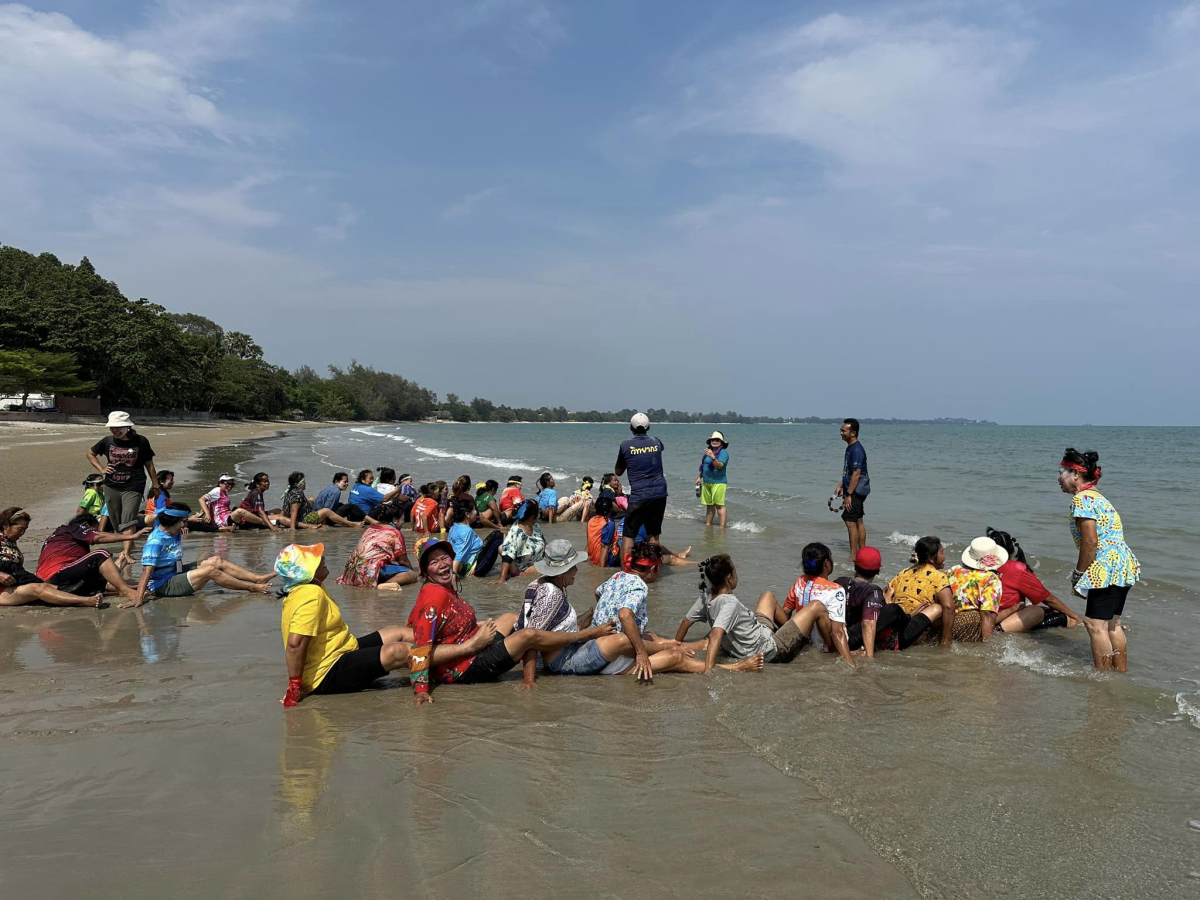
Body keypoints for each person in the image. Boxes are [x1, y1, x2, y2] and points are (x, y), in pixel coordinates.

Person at [278, 543, 497, 707]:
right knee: (398, 652)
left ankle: (446, 640)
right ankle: (467, 647)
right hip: (324, 673)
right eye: (316, 559)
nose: (323, 558)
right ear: (305, 571)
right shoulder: (310, 595)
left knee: (395, 632)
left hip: (340, 648)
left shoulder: (308, 588)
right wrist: (295, 686)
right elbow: (295, 644)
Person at [404, 540, 614, 698]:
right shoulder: (436, 596)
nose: (442, 564)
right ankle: (565, 642)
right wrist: (421, 689)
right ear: (424, 571)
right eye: (433, 562)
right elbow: (421, 645)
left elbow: (414, 620)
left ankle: (526, 649)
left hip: (474, 647)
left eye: (444, 558)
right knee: (528, 634)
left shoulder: (442, 587)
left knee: (510, 617)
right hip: (464, 668)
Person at [590, 543, 757, 681]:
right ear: (654, 570)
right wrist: (641, 653)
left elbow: (598, 593)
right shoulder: (639, 586)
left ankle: (686, 644)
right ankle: (732, 667)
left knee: (651, 636)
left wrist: (609, 620)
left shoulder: (618, 576)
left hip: (601, 645)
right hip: (613, 660)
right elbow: (625, 615)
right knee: (675, 658)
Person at [1059, 448, 1139, 672]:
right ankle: (1119, 673)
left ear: (1075, 474)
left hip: (1106, 566)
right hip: (1124, 564)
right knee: (1112, 624)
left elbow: (1091, 541)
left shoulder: (1082, 499)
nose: (1059, 479)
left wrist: (1079, 573)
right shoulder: (1099, 498)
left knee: (1095, 624)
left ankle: (1103, 680)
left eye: (1061, 473)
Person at [128, 504, 275, 608]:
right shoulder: (155, 541)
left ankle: (257, 578)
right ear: (174, 521)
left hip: (174, 573)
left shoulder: (173, 532)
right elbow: (147, 570)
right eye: (184, 522)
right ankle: (252, 587)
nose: (186, 525)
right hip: (163, 585)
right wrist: (139, 597)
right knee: (211, 571)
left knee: (216, 560)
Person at [674, 554, 787, 669]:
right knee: (806, 611)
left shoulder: (707, 595)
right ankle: (787, 634)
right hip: (768, 648)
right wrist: (709, 671)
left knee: (768, 595)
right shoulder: (730, 604)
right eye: (735, 572)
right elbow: (715, 635)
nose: (737, 575)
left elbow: (685, 622)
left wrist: (677, 643)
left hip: (758, 633)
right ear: (729, 577)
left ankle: (784, 627)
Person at [0, 507, 108, 608]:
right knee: (38, 588)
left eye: (25, 529)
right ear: (5, 525)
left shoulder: (10, 543)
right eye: (20, 529)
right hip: (2, 591)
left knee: (46, 586)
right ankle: (86, 600)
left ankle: (86, 592)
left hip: (11, 586)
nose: (22, 533)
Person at [772, 542, 855, 666]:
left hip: (804, 641)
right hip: (827, 647)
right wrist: (852, 666)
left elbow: (785, 613)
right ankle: (850, 655)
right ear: (826, 563)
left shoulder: (800, 581)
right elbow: (837, 632)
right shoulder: (835, 590)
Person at [35, 513, 146, 604]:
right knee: (100, 554)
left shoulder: (60, 535)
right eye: (94, 529)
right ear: (87, 525)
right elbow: (100, 537)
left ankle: (128, 587)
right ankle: (125, 591)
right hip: (55, 575)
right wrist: (132, 536)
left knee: (97, 574)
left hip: (47, 579)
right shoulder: (76, 528)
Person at [987, 528, 1081, 633]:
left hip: (977, 616)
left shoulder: (972, 567)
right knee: (1038, 611)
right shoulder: (1016, 569)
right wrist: (1074, 616)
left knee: (1041, 610)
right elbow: (1048, 599)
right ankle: (998, 630)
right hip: (998, 619)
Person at [85, 411, 158, 538]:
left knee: (128, 521)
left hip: (134, 485)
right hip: (111, 485)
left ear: (127, 427)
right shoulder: (107, 441)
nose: (115, 430)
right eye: (112, 428)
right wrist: (102, 469)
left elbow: (149, 465)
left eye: (118, 427)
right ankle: (130, 543)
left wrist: (156, 485)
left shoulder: (141, 441)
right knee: (117, 523)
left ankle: (126, 553)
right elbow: (90, 454)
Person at [614, 414, 668, 563]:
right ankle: (653, 568)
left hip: (640, 494)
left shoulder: (625, 445)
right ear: (648, 427)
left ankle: (626, 571)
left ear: (631, 428)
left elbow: (618, 471)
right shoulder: (656, 442)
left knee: (629, 534)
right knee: (653, 534)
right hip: (659, 492)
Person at [885, 536, 955, 648]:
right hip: (914, 629)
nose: (944, 556)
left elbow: (886, 592)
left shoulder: (903, 573)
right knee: (940, 607)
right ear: (932, 559)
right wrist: (946, 640)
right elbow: (948, 607)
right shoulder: (938, 577)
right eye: (942, 552)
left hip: (893, 625)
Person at [936, 536, 1006, 643]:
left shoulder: (953, 570)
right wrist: (987, 646)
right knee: (977, 616)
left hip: (944, 623)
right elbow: (988, 614)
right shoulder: (991, 579)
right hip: (966, 626)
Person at [336, 504, 418, 590]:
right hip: (369, 569)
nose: (403, 523)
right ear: (395, 520)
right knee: (411, 575)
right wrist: (413, 573)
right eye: (402, 520)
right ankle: (386, 584)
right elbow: (403, 561)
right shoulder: (394, 533)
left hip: (352, 569)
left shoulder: (371, 529)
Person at [834, 547, 894, 658]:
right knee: (893, 610)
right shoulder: (873, 591)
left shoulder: (839, 582)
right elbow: (868, 623)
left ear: (855, 566)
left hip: (835, 635)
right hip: (850, 640)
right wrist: (869, 657)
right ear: (878, 570)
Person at [834, 418, 870, 559]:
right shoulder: (850, 448)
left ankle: (853, 556)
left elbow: (856, 473)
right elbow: (849, 472)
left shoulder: (857, 450)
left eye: (844, 430)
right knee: (858, 520)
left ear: (853, 433)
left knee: (850, 522)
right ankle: (863, 553)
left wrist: (848, 494)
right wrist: (841, 484)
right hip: (852, 489)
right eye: (841, 430)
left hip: (855, 491)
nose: (841, 433)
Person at [492, 500, 545, 583]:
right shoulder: (517, 532)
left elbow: (544, 543)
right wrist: (502, 578)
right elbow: (508, 555)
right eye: (538, 512)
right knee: (550, 568)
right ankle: (514, 573)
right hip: (525, 567)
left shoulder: (536, 527)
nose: (540, 514)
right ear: (532, 516)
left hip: (539, 560)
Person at [288, 472, 360, 529]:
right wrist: (324, 524)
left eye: (347, 482)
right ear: (336, 481)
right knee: (349, 507)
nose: (347, 484)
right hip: (313, 517)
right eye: (345, 482)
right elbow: (327, 509)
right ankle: (351, 523)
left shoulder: (331, 487)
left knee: (340, 505)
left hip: (313, 512)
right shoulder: (336, 491)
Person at [694, 432, 730, 528]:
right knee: (709, 505)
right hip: (707, 482)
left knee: (719, 506)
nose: (714, 441)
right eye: (712, 440)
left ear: (721, 442)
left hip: (719, 482)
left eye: (717, 440)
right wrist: (699, 477)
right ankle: (708, 526)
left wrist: (713, 457)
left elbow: (719, 466)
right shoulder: (708, 452)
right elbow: (704, 466)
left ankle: (722, 528)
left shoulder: (723, 453)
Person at [446, 500, 484, 576]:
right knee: (498, 537)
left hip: (459, 564)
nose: (476, 512)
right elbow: (458, 555)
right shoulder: (467, 532)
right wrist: (453, 576)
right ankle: (513, 573)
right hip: (468, 568)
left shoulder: (454, 526)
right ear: (467, 514)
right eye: (473, 510)